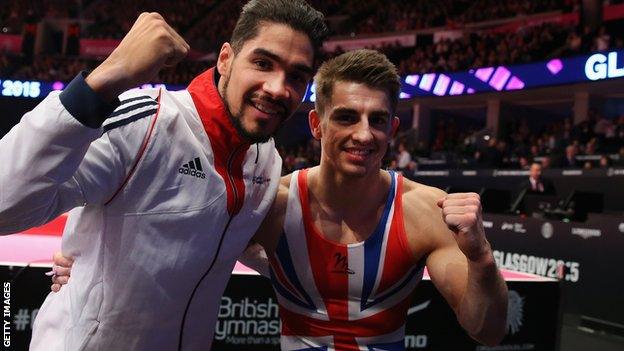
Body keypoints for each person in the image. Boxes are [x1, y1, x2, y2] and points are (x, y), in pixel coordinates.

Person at [56, 50, 509, 350]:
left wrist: (482, 257)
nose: (364, 134)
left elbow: (485, 330)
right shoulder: (270, 205)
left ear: (393, 129)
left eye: (378, 120)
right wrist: (83, 264)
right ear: (316, 125)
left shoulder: (425, 211)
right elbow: (173, 241)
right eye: (347, 117)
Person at [0, 0, 328, 350]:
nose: (278, 88)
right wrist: (104, 78)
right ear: (225, 59)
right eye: (263, 63)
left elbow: (230, 238)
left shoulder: (266, 159)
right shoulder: (144, 126)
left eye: (296, 76)